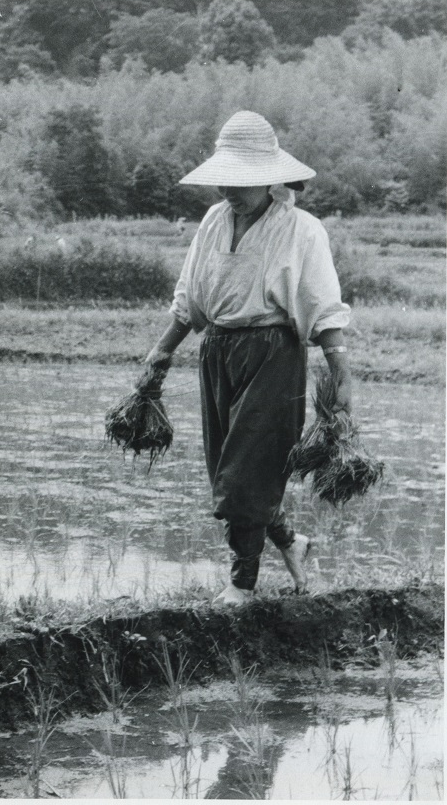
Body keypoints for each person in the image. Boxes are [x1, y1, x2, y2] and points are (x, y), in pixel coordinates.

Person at [142, 110, 352, 606]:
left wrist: (342, 375)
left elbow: (324, 306)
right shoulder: (216, 220)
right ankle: (289, 540)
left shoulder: (302, 230)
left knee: (246, 473)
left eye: (240, 183)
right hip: (217, 349)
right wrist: (162, 351)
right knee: (226, 469)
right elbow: (190, 292)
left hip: (272, 353)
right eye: (224, 183)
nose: (228, 193)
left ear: (270, 179)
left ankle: (242, 583)